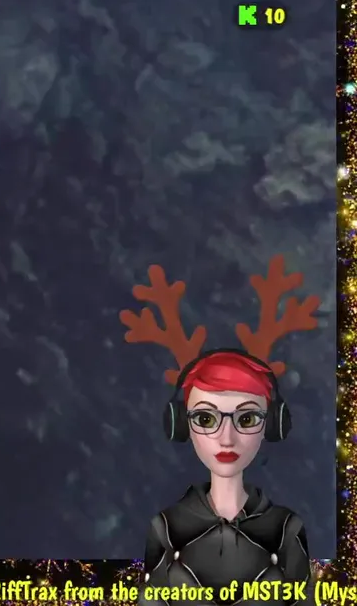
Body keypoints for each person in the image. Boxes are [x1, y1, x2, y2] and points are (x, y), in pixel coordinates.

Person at [120, 257, 319, 606]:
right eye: (206, 419)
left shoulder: (287, 528)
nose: (226, 438)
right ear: (180, 424)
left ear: (273, 424)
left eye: (247, 419)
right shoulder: (165, 527)